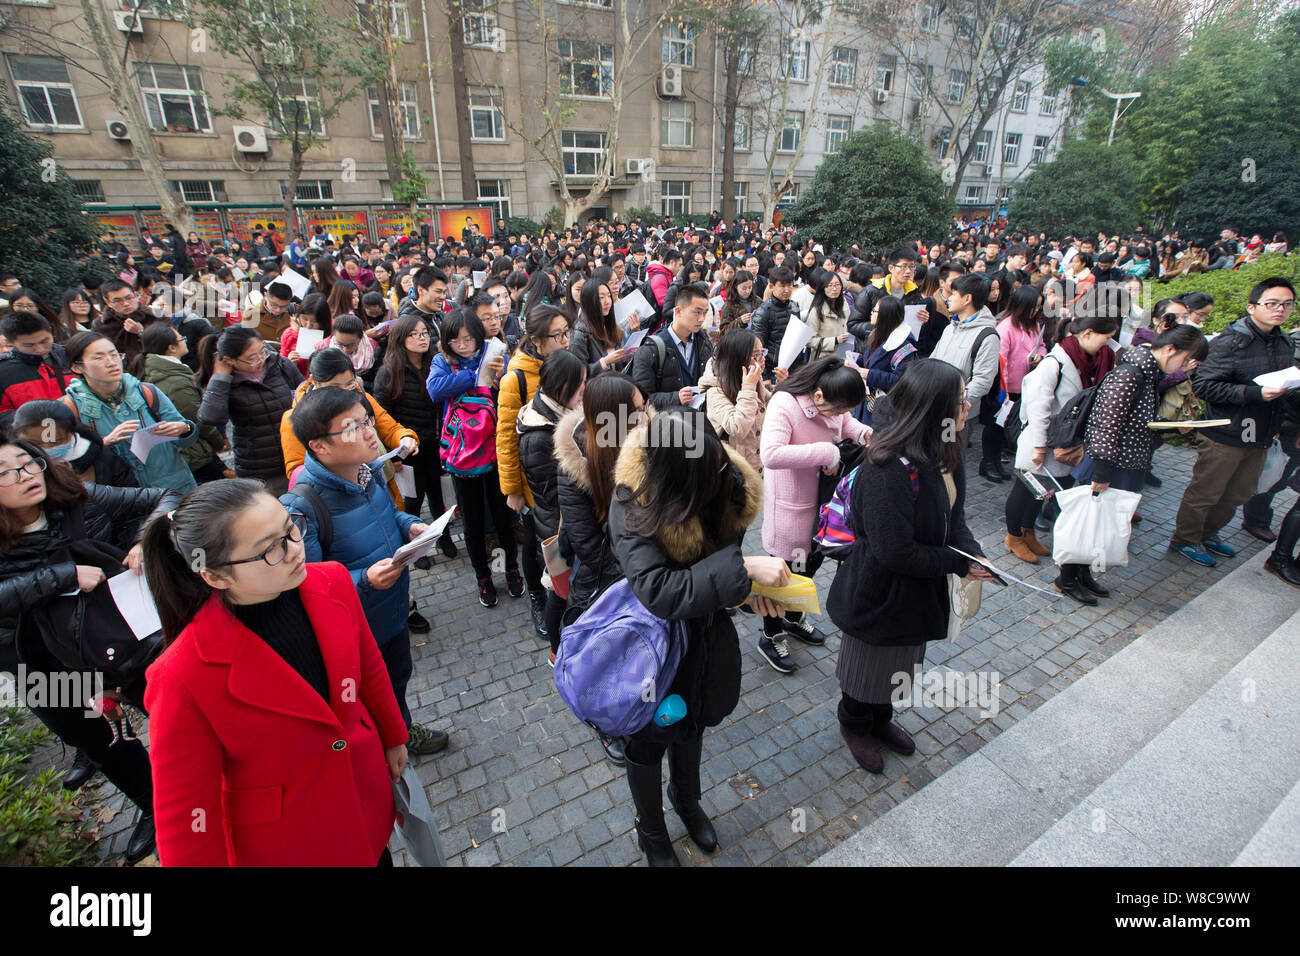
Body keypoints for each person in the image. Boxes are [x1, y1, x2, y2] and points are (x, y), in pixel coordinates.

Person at [140, 479, 409, 865]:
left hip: (365, 801)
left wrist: (393, 736)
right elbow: (186, 815)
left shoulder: (331, 580)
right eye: (270, 549)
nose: (294, 550)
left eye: (291, 528)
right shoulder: (181, 675)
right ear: (215, 576)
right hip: (291, 842)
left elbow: (369, 666)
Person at [608, 406, 787, 865]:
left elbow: (717, 569)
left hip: (705, 637)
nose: (717, 477)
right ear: (674, 481)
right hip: (653, 647)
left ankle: (686, 800)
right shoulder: (632, 499)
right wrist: (742, 569)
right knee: (650, 739)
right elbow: (658, 590)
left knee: (692, 723)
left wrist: (748, 595)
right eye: (706, 476)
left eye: (719, 465)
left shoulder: (719, 474)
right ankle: (651, 830)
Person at [0, 439, 179, 862]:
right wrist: (60, 577)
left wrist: (145, 539)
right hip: (34, 656)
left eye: (28, 464)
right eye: (6, 473)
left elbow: (164, 495)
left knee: (167, 709)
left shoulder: (77, 497)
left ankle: (203, 790)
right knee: (95, 738)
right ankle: (153, 804)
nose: (26, 476)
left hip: (109, 637)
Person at [827, 359, 992, 773]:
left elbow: (956, 517)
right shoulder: (888, 468)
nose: (967, 406)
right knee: (867, 669)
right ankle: (855, 724)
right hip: (878, 591)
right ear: (933, 408)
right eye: (959, 399)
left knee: (901, 663)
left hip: (919, 588)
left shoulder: (945, 449)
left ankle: (881, 720)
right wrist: (957, 562)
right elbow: (894, 552)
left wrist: (972, 553)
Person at [279, 386, 447, 756]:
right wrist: (364, 581)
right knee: (364, 698)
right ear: (319, 445)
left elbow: (389, 515)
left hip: (392, 611)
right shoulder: (301, 507)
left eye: (367, 420)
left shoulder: (369, 472)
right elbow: (308, 587)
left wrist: (409, 527)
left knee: (397, 677)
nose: (370, 432)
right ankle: (377, 750)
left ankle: (400, 729)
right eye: (352, 427)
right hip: (353, 631)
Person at [1172, 278, 1296, 566]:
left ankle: (1209, 533)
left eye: (1287, 304)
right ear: (1252, 307)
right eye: (1272, 303)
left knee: (1239, 492)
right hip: (1225, 429)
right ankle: (1186, 538)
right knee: (1207, 490)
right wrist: (1255, 394)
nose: (1280, 310)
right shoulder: (1231, 342)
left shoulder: (1283, 341)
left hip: (1261, 431)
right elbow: (1203, 385)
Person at [758, 356, 869, 674]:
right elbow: (771, 453)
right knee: (783, 576)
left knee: (810, 566)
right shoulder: (784, 403)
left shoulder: (832, 400)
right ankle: (771, 634)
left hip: (824, 501)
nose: (837, 415)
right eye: (835, 408)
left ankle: (793, 620)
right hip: (793, 505)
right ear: (818, 396)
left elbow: (845, 423)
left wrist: (864, 435)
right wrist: (828, 451)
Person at [1082, 323, 1207, 577]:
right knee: (1091, 526)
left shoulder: (1150, 372)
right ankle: (1071, 577)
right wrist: (1103, 473)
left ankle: (1082, 575)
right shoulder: (1131, 374)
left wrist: (1174, 427)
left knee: (1106, 528)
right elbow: (1106, 425)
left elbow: (1139, 421)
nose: (1185, 369)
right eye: (1186, 361)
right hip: (1112, 464)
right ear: (1170, 349)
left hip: (1129, 461)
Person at [1006, 313, 1117, 592]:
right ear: (1088, 333)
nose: (1110, 343)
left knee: (1045, 492)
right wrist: (1041, 447)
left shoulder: (1091, 360)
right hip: (1042, 442)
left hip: (1066, 443)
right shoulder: (1054, 364)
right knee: (1025, 490)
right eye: (1107, 336)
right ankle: (1013, 535)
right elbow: (1039, 408)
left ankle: (1028, 531)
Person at [428, 309, 520, 608]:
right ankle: (483, 576)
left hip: (495, 449)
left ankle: (511, 568)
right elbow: (435, 390)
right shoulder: (442, 360)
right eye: (456, 341)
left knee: (504, 515)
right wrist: (474, 377)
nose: (464, 346)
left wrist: (501, 373)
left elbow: (512, 385)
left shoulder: (493, 353)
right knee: (473, 521)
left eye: (469, 339)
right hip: (461, 453)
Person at [553, 372, 643, 658]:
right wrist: (645, 574)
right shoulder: (575, 469)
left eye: (644, 408)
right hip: (604, 587)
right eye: (638, 412)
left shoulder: (648, 446)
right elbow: (590, 548)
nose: (647, 418)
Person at [497, 306, 570, 634]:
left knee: (557, 538)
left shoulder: (565, 363)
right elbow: (505, 438)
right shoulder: (517, 377)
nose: (566, 340)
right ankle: (538, 597)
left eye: (568, 331)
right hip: (532, 480)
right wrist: (512, 488)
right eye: (558, 336)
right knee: (536, 543)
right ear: (538, 341)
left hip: (562, 472)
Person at [62, 332, 198, 492]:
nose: (112, 362)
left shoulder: (146, 391)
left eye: (114, 355)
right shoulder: (70, 408)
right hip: (123, 498)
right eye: (99, 358)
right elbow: (67, 462)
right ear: (77, 367)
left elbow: (185, 438)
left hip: (173, 487)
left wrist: (184, 429)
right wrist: (104, 443)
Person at [516, 349, 586, 656]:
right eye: (579, 385)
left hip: (569, 520)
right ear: (562, 387)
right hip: (557, 525)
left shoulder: (561, 414)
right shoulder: (538, 436)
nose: (585, 391)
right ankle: (557, 651)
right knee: (561, 591)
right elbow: (552, 493)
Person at [373, 314, 456, 557]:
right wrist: (395, 455)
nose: (422, 339)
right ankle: (415, 548)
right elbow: (383, 416)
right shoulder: (389, 372)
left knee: (440, 496)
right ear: (401, 338)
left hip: (438, 444)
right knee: (413, 500)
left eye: (424, 333)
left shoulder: (437, 364)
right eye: (415, 334)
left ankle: (444, 538)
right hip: (408, 450)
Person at [197, 326, 303, 494]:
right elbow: (211, 417)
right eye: (252, 358)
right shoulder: (224, 382)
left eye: (262, 351)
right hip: (259, 467)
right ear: (229, 360)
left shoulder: (278, 364)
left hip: (295, 455)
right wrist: (220, 376)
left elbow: (304, 393)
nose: (261, 359)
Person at [932, 273, 1001, 479]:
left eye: (954, 294)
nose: (949, 298)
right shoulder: (950, 327)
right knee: (935, 458)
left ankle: (952, 507)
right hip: (936, 405)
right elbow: (934, 361)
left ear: (967, 299)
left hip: (957, 414)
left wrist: (955, 402)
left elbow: (983, 380)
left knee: (950, 462)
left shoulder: (987, 336)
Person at [140, 324, 227, 484]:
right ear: (171, 348)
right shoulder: (174, 381)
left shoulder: (169, 372)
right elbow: (198, 419)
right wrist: (219, 442)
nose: (185, 341)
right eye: (182, 338)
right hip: (194, 455)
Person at [7, 399, 136, 492]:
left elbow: (129, 497)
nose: (46, 448)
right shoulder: (9, 468)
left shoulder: (101, 458)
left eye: (56, 442)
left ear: (72, 433)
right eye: (36, 443)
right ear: (17, 435)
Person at [699, 328, 772, 474]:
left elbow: (769, 404)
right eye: (756, 355)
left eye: (762, 353)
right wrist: (749, 387)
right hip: (735, 473)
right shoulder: (715, 390)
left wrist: (784, 386)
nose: (762, 359)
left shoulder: (752, 378)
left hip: (758, 466)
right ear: (737, 359)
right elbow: (738, 428)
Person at [631, 284, 714, 409]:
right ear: (678, 311)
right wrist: (675, 398)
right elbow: (641, 399)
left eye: (705, 313)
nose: (702, 319)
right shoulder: (651, 349)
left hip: (700, 420)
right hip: (669, 423)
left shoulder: (703, 342)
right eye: (697, 312)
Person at [857, 296, 919, 428]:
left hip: (885, 407)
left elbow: (901, 381)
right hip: (867, 400)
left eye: (875, 311)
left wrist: (870, 375)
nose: (872, 313)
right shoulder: (876, 333)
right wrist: (855, 361)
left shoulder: (904, 347)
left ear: (886, 315)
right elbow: (869, 360)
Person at [0, 311, 73, 414]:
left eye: (44, 341)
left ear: (50, 331)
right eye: (29, 345)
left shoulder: (71, 356)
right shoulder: (3, 371)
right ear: (10, 342)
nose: (39, 349)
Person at [570, 278, 633, 378]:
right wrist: (605, 362)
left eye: (609, 296)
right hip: (599, 391)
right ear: (589, 301)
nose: (607, 301)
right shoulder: (580, 334)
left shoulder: (609, 326)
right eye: (601, 297)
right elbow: (577, 374)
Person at [280, 291, 332, 377]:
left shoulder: (331, 337)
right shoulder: (289, 335)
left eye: (314, 321)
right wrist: (289, 363)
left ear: (323, 320)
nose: (308, 325)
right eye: (304, 319)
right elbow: (281, 365)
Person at [804, 270, 851, 360]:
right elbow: (809, 340)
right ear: (823, 288)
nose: (834, 289)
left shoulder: (844, 305)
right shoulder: (817, 311)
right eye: (830, 286)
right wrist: (835, 341)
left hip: (842, 356)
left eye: (837, 285)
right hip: (823, 359)